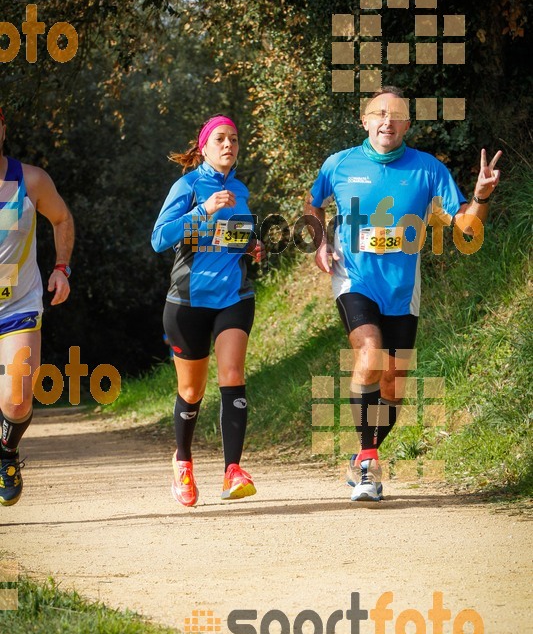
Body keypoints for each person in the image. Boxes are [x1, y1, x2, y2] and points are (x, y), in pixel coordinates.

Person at [305, 87, 501, 502]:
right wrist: (320, 240)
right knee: (368, 356)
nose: (386, 121)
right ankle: (369, 465)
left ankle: (362, 454)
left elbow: (466, 226)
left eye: (396, 115)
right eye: (378, 113)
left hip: (402, 289)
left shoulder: (428, 169)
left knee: (393, 387)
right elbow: (312, 203)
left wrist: (481, 195)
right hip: (354, 278)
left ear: (408, 125)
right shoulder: (339, 164)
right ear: (364, 121)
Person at [152, 114, 262, 507]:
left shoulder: (241, 189)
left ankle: (233, 471)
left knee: (232, 374)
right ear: (203, 147)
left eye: (234, 138)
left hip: (234, 297)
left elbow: (235, 239)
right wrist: (203, 211)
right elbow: (159, 239)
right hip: (187, 304)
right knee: (191, 390)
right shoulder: (187, 186)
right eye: (220, 138)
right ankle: (182, 462)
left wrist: (251, 246)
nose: (229, 144)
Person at [0, 106, 74, 505]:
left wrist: (62, 268)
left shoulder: (29, 180)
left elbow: (62, 219)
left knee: (17, 398)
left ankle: (6, 455)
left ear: (3, 127)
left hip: (18, 306)